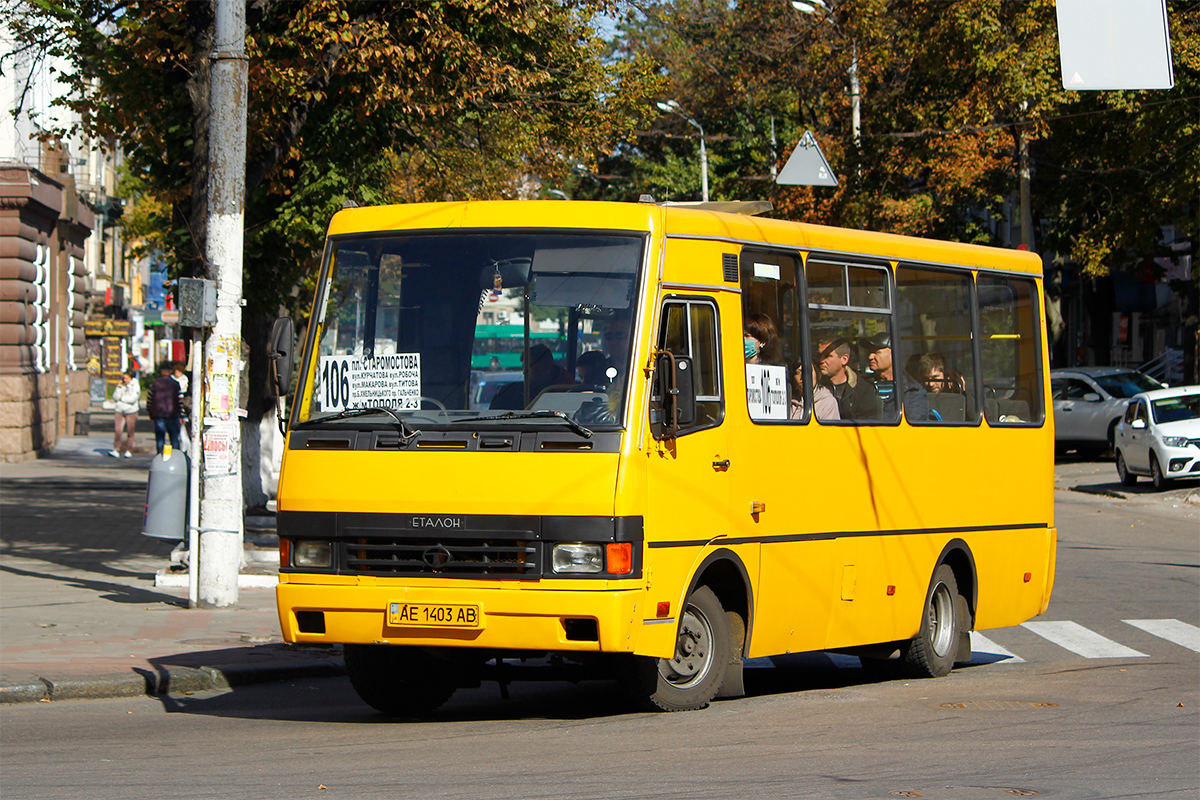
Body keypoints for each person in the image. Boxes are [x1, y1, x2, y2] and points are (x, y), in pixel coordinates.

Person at [816, 337, 881, 420]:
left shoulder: (864, 390)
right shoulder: (813, 388)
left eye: (827, 356)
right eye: (819, 355)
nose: (821, 360)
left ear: (844, 359)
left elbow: (867, 426)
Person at [489, 344, 571, 409]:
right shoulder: (513, 393)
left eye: (529, 367)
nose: (524, 372)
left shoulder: (568, 391)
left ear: (545, 367)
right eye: (524, 367)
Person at [147, 361, 183, 453]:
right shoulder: (175, 384)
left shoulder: (155, 384)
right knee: (174, 438)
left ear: (161, 371)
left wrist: (151, 413)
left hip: (158, 414)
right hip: (173, 414)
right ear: (171, 371)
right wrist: (181, 415)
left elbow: (150, 400)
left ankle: (160, 456)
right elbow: (180, 401)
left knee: (160, 439)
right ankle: (175, 456)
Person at [110, 369, 140, 458]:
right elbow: (115, 397)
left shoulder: (135, 385)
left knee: (130, 431)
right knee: (118, 430)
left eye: (126, 378)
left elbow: (133, 398)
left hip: (131, 411)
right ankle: (116, 449)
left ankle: (129, 450)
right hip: (119, 410)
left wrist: (122, 398)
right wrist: (119, 387)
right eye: (123, 378)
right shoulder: (121, 385)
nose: (124, 380)